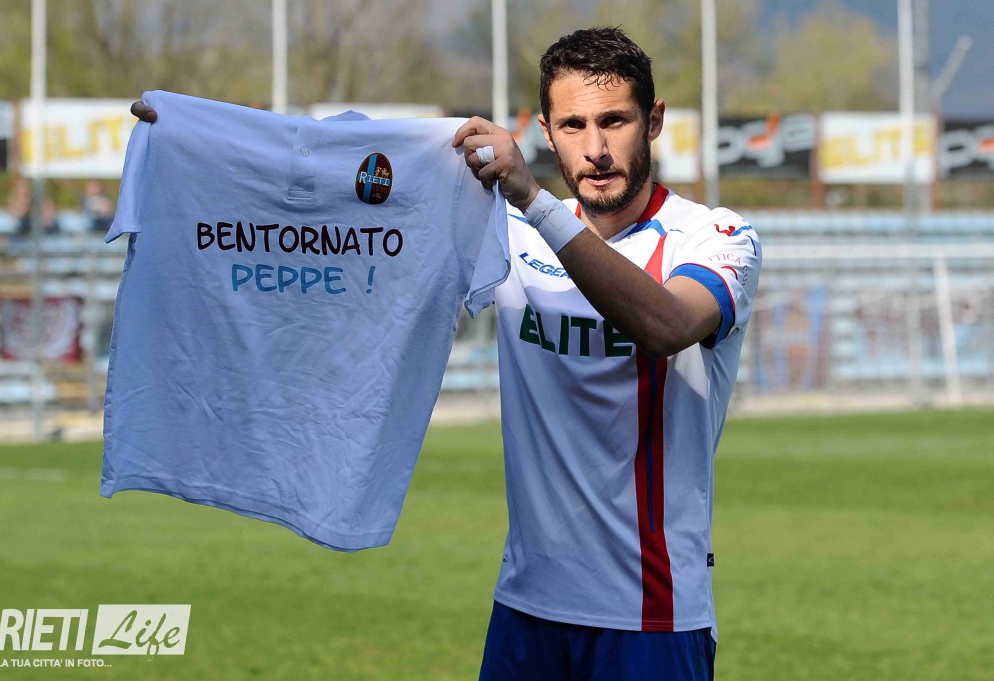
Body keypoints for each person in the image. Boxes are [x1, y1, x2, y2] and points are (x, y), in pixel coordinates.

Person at [131, 26, 760, 680]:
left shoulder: (716, 237)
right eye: (573, 125)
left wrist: (535, 200)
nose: (595, 149)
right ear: (546, 132)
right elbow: (344, 187)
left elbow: (665, 324)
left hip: (652, 617)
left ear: (653, 121)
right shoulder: (504, 231)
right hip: (527, 606)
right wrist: (203, 141)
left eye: (615, 121)